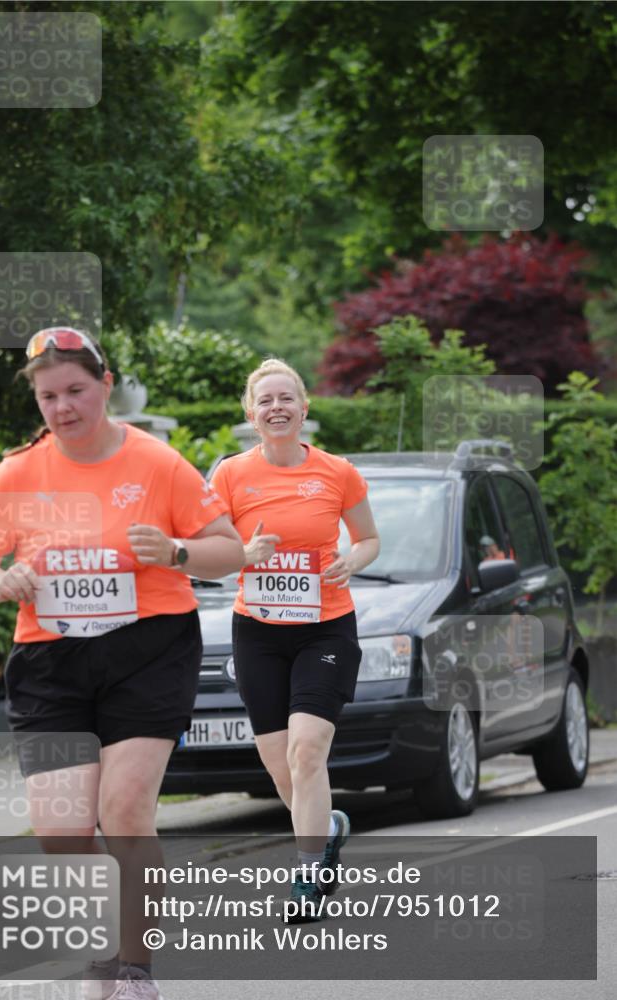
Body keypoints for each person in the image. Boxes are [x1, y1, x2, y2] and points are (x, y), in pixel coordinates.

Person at [0, 327, 244, 1000]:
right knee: (61, 831)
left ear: (105, 385)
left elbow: (228, 551)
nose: (62, 409)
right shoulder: (19, 471)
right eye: (48, 396)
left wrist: (175, 551)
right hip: (51, 660)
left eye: (75, 391)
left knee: (123, 810)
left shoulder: (157, 463)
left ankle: (133, 969)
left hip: (148, 650)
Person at [211, 358, 380, 922]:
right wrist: (243, 555)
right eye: (265, 401)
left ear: (304, 409)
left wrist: (352, 559)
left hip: (325, 625)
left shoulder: (338, 472)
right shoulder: (230, 476)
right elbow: (208, 556)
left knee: (307, 749)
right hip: (256, 631)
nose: (276, 408)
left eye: (287, 398)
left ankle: (308, 875)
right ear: (251, 414)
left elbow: (369, 538)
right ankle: (328, 828)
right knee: (281, 765)